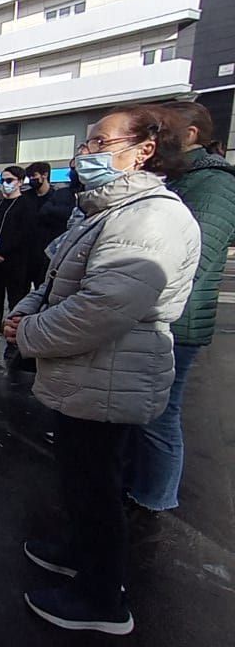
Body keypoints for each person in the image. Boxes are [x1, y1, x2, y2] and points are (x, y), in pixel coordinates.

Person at [5, 105, 200, 635]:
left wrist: (29, 335)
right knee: (81, 477)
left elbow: (102, 306)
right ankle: (78, 553)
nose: (85, 153)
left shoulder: (151, 216)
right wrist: (26, 311)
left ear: (144, 151)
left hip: (113, 371)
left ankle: (101, 600)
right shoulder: (107, 211)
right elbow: (56, 281)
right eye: (88, 143)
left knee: (97, 485)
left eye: (100, 143)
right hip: (89, 374)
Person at [125, 101, 235, 516]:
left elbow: (191, 260)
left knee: (159, 414)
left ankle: (154, 497)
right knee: (140, 412)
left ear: (190, 135)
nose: (154, 138)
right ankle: (139, 483)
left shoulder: (213, 184)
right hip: (151, 315)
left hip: (176, 321)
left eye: (163, 129)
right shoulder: (173, 178)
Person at [0, 165, 36, 357]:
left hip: (15, 262)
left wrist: (2, 251)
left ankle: (13, 341)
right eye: (2, 180)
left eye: (9, 180)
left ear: (19, 181)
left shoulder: (26, 205)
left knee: (16, 302)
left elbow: (24, 235)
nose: (4, 184)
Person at [24, 162, 76, 288]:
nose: (31, 179)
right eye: (29, 177)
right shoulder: (26, 197)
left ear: (45, 175)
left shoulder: (57, 196)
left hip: (47, 253)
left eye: (34, 176)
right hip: (26, 253)